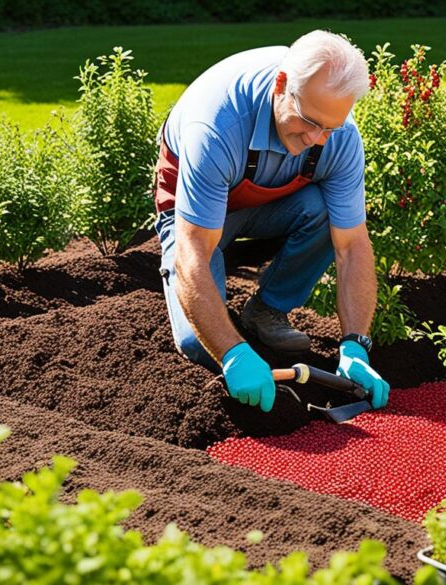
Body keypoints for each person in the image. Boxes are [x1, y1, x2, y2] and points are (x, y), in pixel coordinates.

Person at [153, 30, 389, 414]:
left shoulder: (339, 136)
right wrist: (232, 354)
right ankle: (234, 341)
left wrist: (355, 344)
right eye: (310, 121)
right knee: (199, 344)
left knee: (331, 212)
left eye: (329, 128)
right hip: (196, 217)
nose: (317, 138)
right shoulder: (217, 125)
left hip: (271, 203)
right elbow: (193, 249)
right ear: (281, 85)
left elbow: (352, 245)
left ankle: (265, 309)